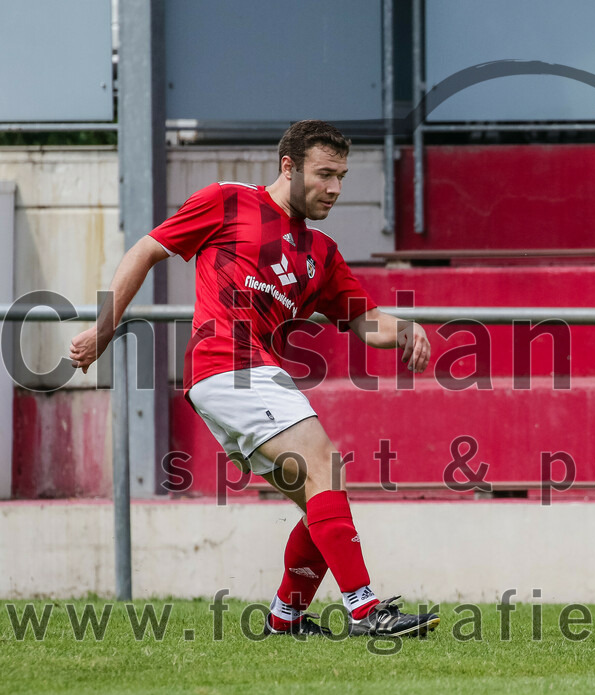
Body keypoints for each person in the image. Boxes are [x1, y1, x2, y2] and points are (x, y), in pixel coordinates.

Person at [69, 120, 440, 638]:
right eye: (324, 174)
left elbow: (363, 320)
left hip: (243, 376)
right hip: (228, 363)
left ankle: (284, 620)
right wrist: (103, 329)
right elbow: (145, 251)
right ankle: (366, 611)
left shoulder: (323, 254)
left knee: (321, 500)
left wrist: (404, 327)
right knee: (325, 470)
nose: (334, 188)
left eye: (342, 177)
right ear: (288, 167)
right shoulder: (226, 201)